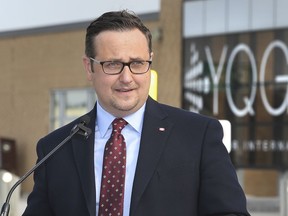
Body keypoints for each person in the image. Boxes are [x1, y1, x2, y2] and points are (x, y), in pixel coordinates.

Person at [23, 10, 250, 216]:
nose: (127, 77)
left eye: (137, 63)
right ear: (89, 68)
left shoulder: (198, 136)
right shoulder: (54, 148)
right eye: (112, 64)